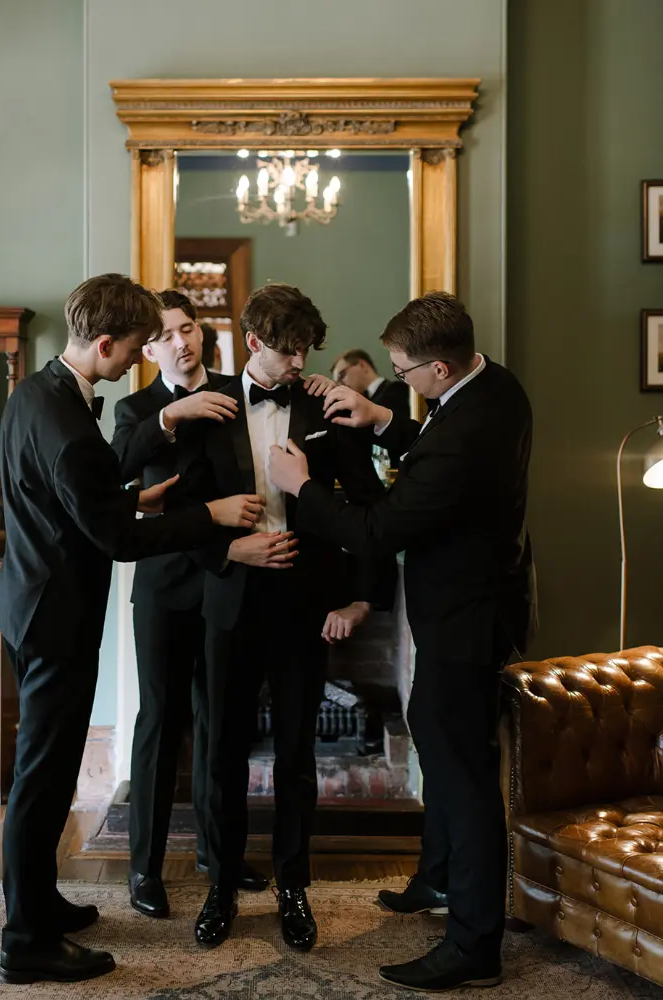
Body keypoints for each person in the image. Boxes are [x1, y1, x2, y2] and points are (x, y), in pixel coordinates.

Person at [0, 274, 264, 985]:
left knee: (43, 773)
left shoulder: (35, 391)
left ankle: (40, 902)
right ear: (105, 342)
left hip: (29, 603)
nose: (142, 360)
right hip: (56, 618)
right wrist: (210, 516)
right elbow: (115, 540)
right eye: (138, 348)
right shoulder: (70, 422)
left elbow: (69, 501)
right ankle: (26, 939)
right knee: (43, 779)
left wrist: (126, 497)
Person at [269, 291, 536, 993]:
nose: (400, 382)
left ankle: (473, 945)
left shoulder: (459, 438)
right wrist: (385, 417)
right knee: (443, 744)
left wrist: (300, 486)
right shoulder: (498, 386)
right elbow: (431, 439)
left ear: (442, 368)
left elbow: (378, 531)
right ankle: (439, 879)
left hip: (463, 619)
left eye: (405, 373)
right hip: (480, 604)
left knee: (462, 774)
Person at [191, 284, 392, 952]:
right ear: (253, 343)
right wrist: (227, 547)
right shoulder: (208, 408)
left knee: (296, 755)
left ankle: (292, 887)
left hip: (306, 600)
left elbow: (365, 503)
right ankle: (220, 885)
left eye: (306, 346)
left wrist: (358, 597)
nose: (300, 358)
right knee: (220, 752)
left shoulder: (323, 405)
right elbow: (176, 512)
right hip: (230, 598)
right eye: (287, 348)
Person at [110, 290, 271, 921]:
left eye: (190, 328)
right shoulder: (135, 410)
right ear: (147, 349)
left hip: (232, 582)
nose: (183, 341)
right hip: (163, 586)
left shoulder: (239, 393)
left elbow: (249, 486)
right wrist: (174, 418)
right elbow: (119, 472)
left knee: (221, 722)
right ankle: (144, 868)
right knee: (159, 721)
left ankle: (217, 853)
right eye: (168, 335)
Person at [331, 348, 414, 468]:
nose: (341, 384)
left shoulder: (396, 390)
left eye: (342, 375)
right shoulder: (356, 406)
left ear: (362, 364)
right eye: (337, 381)